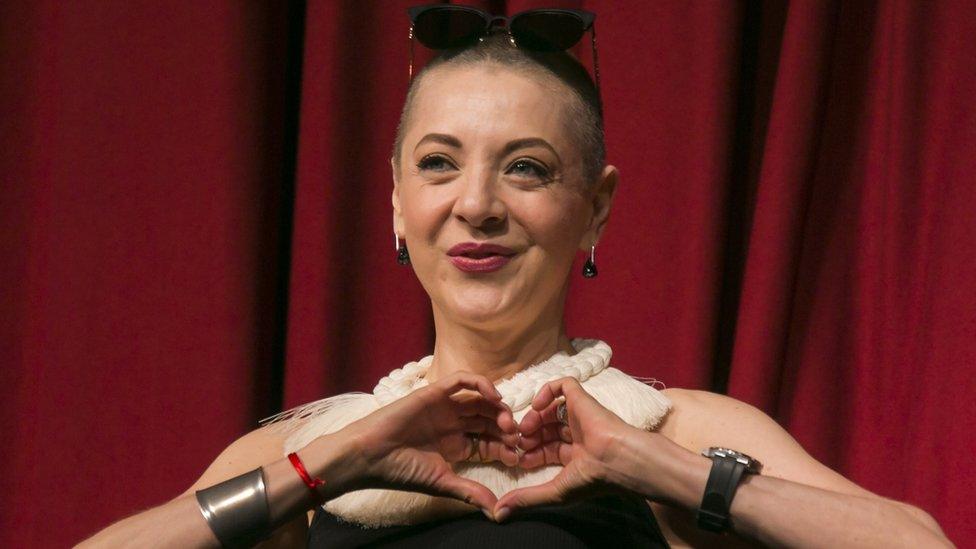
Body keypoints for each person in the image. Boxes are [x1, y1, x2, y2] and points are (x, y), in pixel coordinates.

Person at [79, 7, 953, 548]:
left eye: (527, 168)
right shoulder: (307, 450)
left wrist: (657, 468)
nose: (477, 205)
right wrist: (335, 461)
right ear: (394, 203)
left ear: (596, 208)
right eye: (438, 164)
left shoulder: (678, 428)